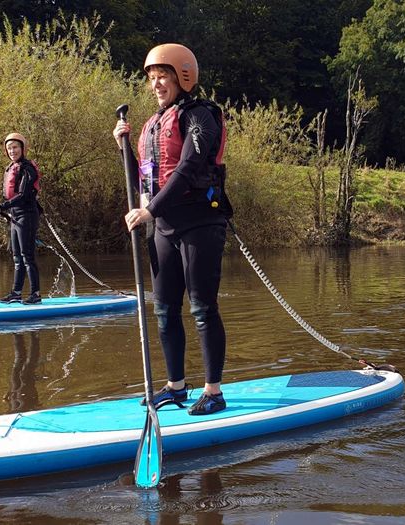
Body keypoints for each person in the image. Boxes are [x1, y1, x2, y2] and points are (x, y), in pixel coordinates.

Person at [112, 43, 231, 416]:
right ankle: (176, 387)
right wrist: (124, 150)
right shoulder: (151, 125)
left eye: (162, 76)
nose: (156, 84)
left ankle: (213, 392)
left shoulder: (201, 117)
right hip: (163, 226)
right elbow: (145, 180)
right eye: (151, 78)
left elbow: (189, 169)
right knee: (164, 310)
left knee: (202, 307)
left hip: (199, 221)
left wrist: (149, 211)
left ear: (183, 75)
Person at [0, 132, 42, 305]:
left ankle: (35, 294)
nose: (12, 151)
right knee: (16, 258)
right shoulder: (11, 167)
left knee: (27, 256)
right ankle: (16, 293)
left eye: (15, 147)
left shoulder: (27, 168)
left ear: (22, 149)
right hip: (16, 216)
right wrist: (3, 210)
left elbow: (23, 195)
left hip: (27, 215)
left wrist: (3, 206)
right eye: (9, 148)